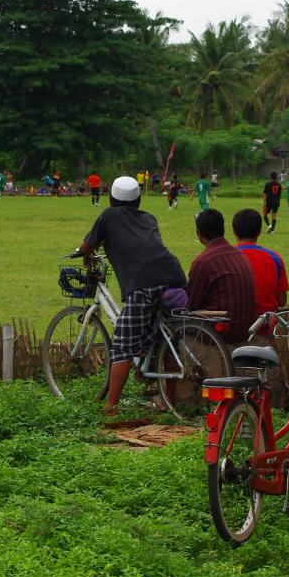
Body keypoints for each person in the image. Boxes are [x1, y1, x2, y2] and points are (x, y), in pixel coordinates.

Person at [77, 176, 186, 417]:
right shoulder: (149, 218)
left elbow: (86, 246)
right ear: (138, 200)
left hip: (143, 284)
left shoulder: (108, 215)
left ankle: (111, 406)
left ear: (110, 198)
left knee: (122, 345)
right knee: (160, 336)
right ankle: (165, 396)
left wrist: (86, 253)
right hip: (173, 277)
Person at [186, 208, 257, 342]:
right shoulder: (239, 254)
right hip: (247, 329)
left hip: (222, 331)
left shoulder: (203, 261)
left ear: (199, 234)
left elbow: (191, 304)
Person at [233, 209, 289, 316]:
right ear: (259, 232)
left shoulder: (226, 257)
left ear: (234, 232)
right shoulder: (274, 257)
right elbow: (282, 301)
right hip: (266, 325)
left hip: (234, 326)